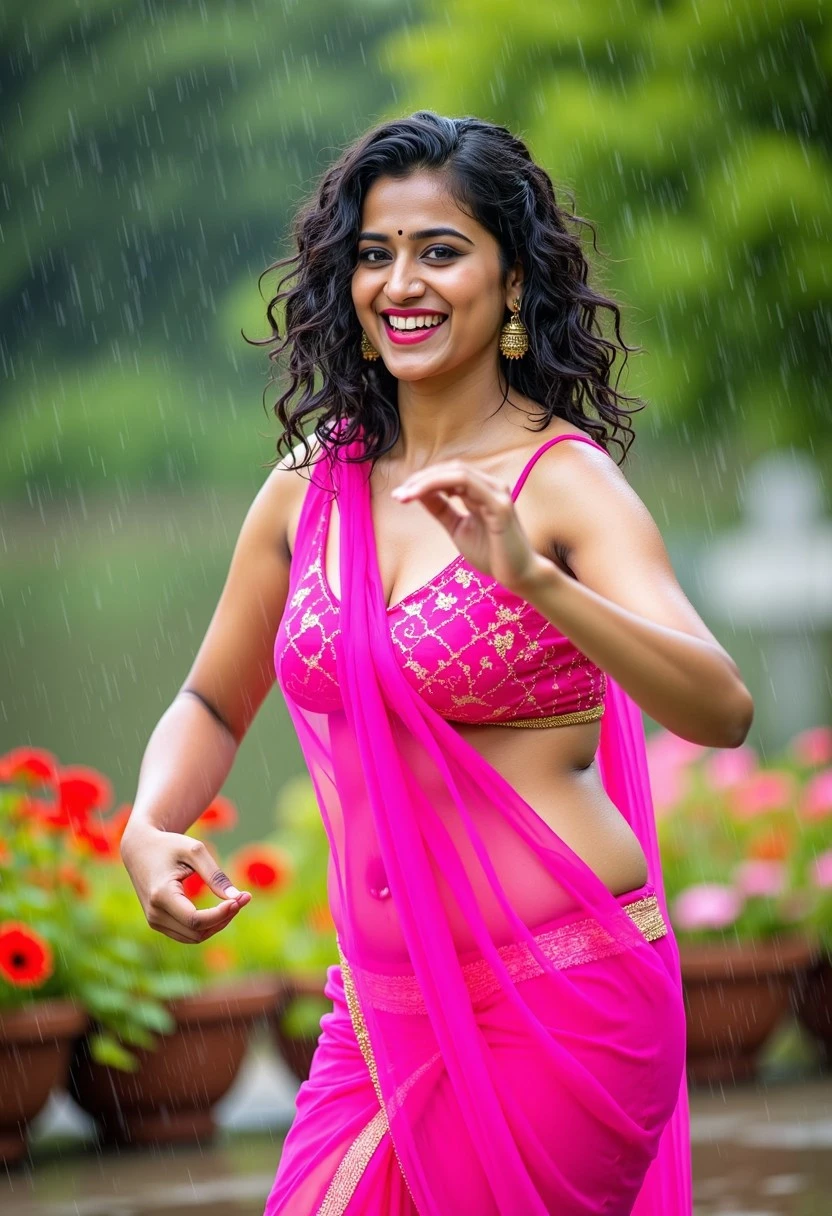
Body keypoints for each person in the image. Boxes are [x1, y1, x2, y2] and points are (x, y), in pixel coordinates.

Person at [120, 112, 754, 1215]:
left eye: (440, 249)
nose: (400, 282)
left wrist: (537, 581)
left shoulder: (564, 483)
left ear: (512, 282)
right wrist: (147, 820)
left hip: (559, 1004)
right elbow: (213, 700)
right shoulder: (305, 491)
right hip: (375, 1014)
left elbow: (720, 706)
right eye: (375, 253)